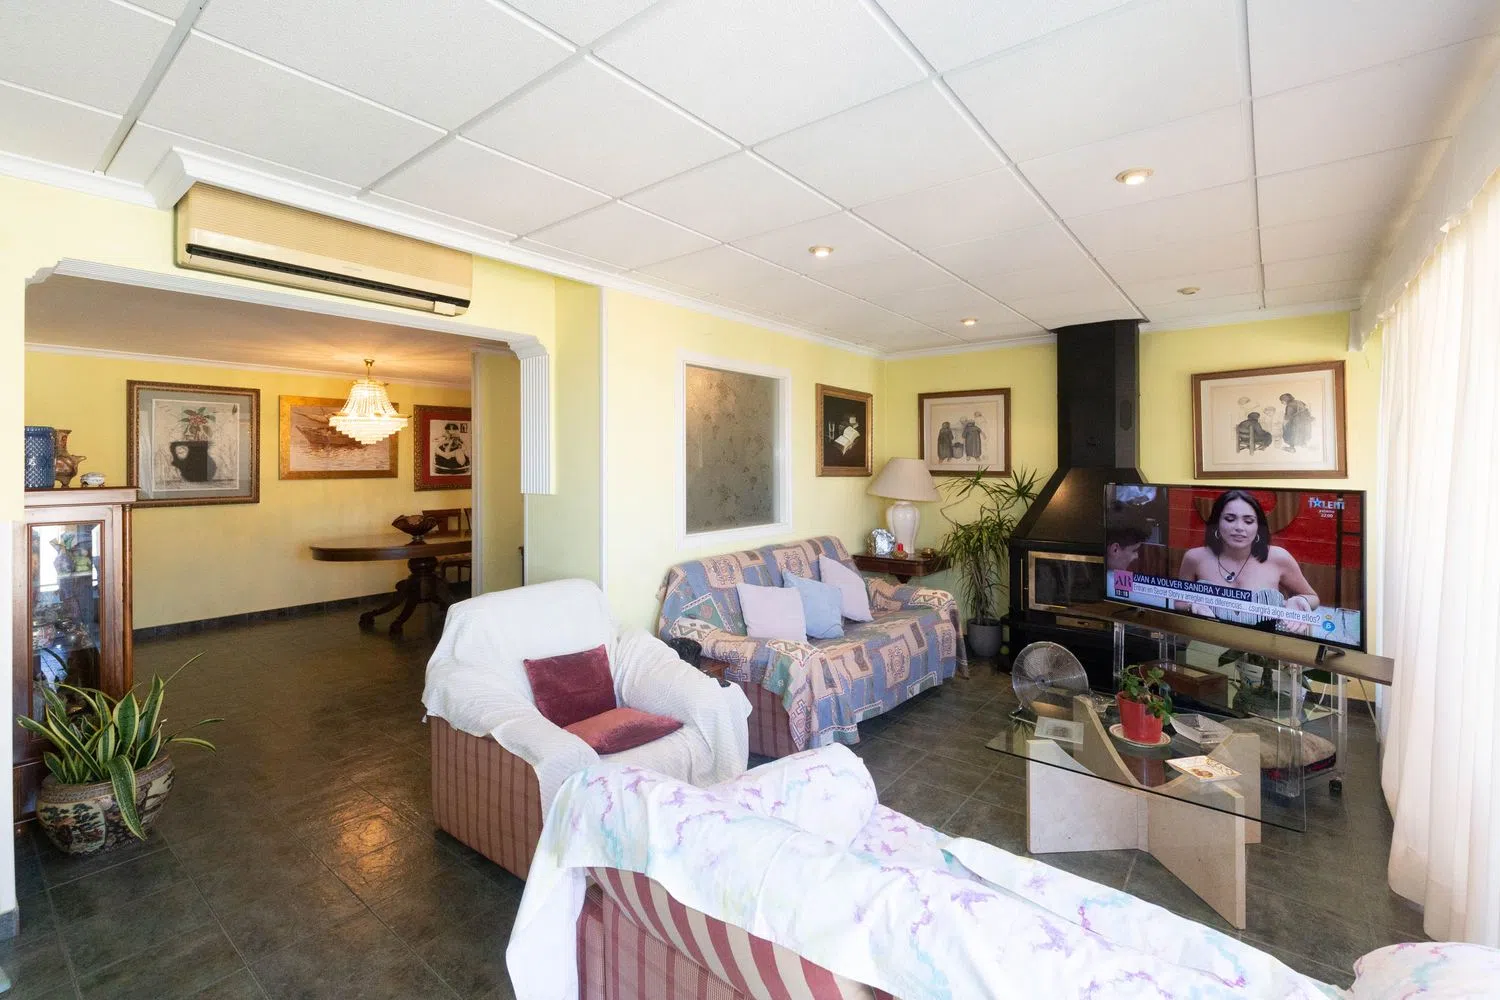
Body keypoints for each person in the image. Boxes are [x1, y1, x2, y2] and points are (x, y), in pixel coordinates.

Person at [1175, 489, 1319, 633]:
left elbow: (1313, 598)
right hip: (1207, 640)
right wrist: (1192, 606)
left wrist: (1300, 600)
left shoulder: (1279, 557)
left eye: (1248, 521)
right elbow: (1179, 601)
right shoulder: (1194, 558)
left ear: (1258, 527)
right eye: (1230, 519)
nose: (1239, 527)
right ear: (1217, 522)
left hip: (1264, 644)